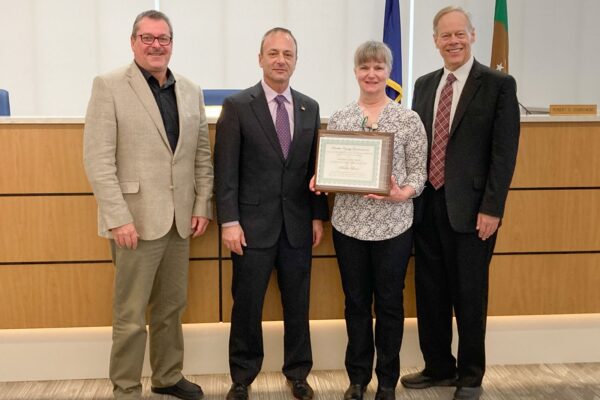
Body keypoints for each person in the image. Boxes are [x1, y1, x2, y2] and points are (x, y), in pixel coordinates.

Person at [83, 10, 213, 400]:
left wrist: (201, 204)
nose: (157, 45)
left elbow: (201, 155)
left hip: (179, 220)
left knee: (172, 307)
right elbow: (98, 160)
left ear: (172, 43)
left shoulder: (190, 90)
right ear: (133, 41)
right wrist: (117, 217)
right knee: (130, 314)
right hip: (134, 222)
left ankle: (167, 376)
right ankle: (125, 388)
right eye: (148, 38)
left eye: (164, 38)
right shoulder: (108, 86)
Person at [399, 6, 520, 400]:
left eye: (459, 34)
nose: (452, 41)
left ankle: (470, 376)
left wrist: (493, 208)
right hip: (426, 205)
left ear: (473, 36)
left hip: (472, 210)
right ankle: (438, 366)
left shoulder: (498, 84)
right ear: (434, 40)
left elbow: (504, 153)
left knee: (469, 294)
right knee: (430, 291)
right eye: (445, 35)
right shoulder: (423, 84)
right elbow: (415, 144)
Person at [214, 27, 329, 400]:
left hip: (297, 226)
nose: (281, 60)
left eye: (288, 55)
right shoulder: (237, 106)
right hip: (251, 227)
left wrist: (316, 216)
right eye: (273, 53)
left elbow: (314, 168)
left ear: (296, 61)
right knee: (247, 304)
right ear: (260, 58)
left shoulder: (310, 107)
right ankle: (242, 377)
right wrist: (229, 221)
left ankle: (298, 372)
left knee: (298, 304)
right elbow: (225, 170)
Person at [311, 41, 427, 400]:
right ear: (356, 72)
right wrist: (320, 179)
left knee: (390, 304)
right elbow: (328, 166)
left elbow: (419, 176)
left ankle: (388, 381)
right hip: (349, 226)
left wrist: (401, 193)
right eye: (365, 68)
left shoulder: (408, 119)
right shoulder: (342, 117)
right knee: (356, 303)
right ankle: (358, 379)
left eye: (378, 67)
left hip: (393, 226)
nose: (371, 74)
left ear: (388, 72)